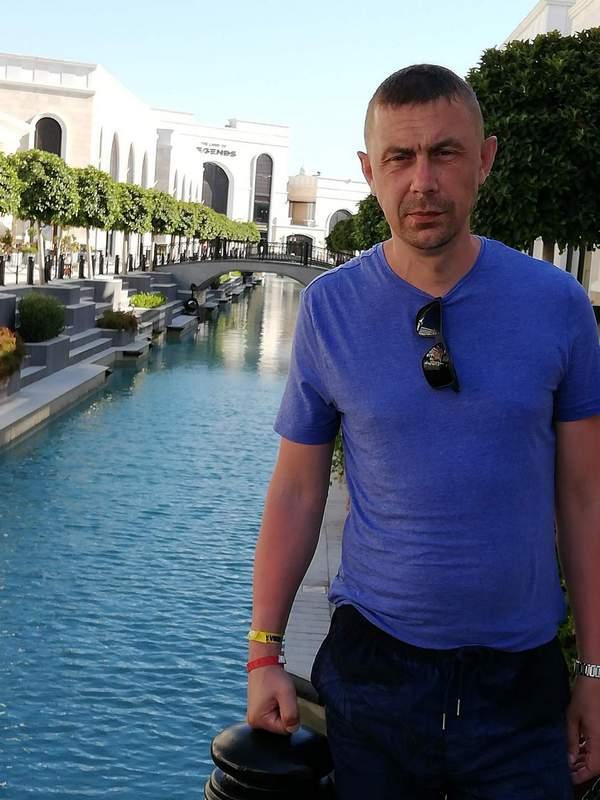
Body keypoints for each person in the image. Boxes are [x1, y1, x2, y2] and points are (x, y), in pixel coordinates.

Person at [246, 64, 600, 799]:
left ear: (485, 159)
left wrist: (595, 671)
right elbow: (298, 491)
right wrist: (263, 653)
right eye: (400, 158)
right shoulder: (330, 309)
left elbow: (584, 496)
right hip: (375, 676)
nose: (423, 181)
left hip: (520, 687)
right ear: (369, 171)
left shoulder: (558, 305)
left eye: (445, 152)